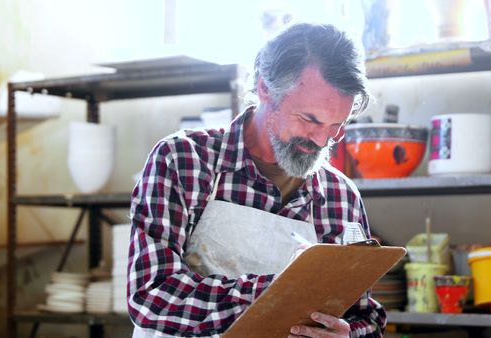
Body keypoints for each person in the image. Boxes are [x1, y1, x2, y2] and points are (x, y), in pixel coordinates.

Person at [127, 23, 385, 338]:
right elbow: (152, 294)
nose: (322, 140)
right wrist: (278, 294)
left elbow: (365, 315)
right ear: (265, 88)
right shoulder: (183, 160)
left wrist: (346, 334)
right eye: (309, 119)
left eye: (337, 125)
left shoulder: (340, 195)